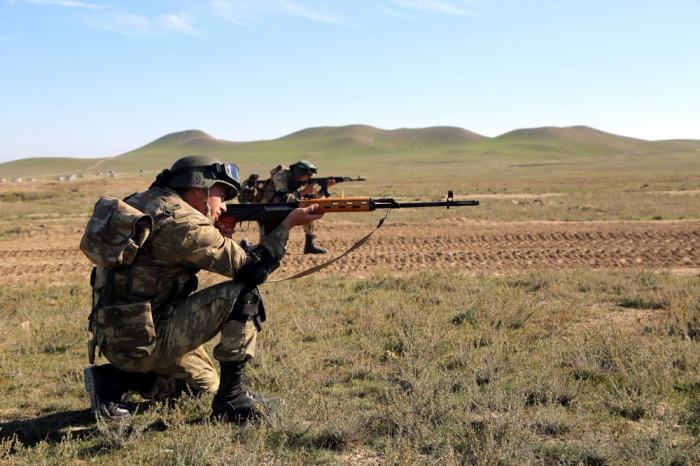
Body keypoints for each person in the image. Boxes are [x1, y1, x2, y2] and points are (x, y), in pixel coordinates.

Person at [80, 155, 324, 423]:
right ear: (199, 187)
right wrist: (287, 225)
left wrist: (220, 239)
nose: (224, 204)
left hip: (119, 333)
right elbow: (253, 270)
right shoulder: (185, 223)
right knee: (243, 293)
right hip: (146, 337)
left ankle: (112, 380)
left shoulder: (142, 201)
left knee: (204, 385)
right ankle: (234, 401)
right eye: (222, 193)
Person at [258, 160, 335, 254]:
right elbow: (283, 198)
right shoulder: (281, 176)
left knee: (308, 210)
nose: (310, 178)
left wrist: (323, 190)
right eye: (308, 175)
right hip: (267, 209)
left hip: (286, 206)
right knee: (264, 245)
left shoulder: (300, 181)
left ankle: (309, 245)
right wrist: (303, 192)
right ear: (300, 173)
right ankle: (247, 247)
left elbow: (310, 199)